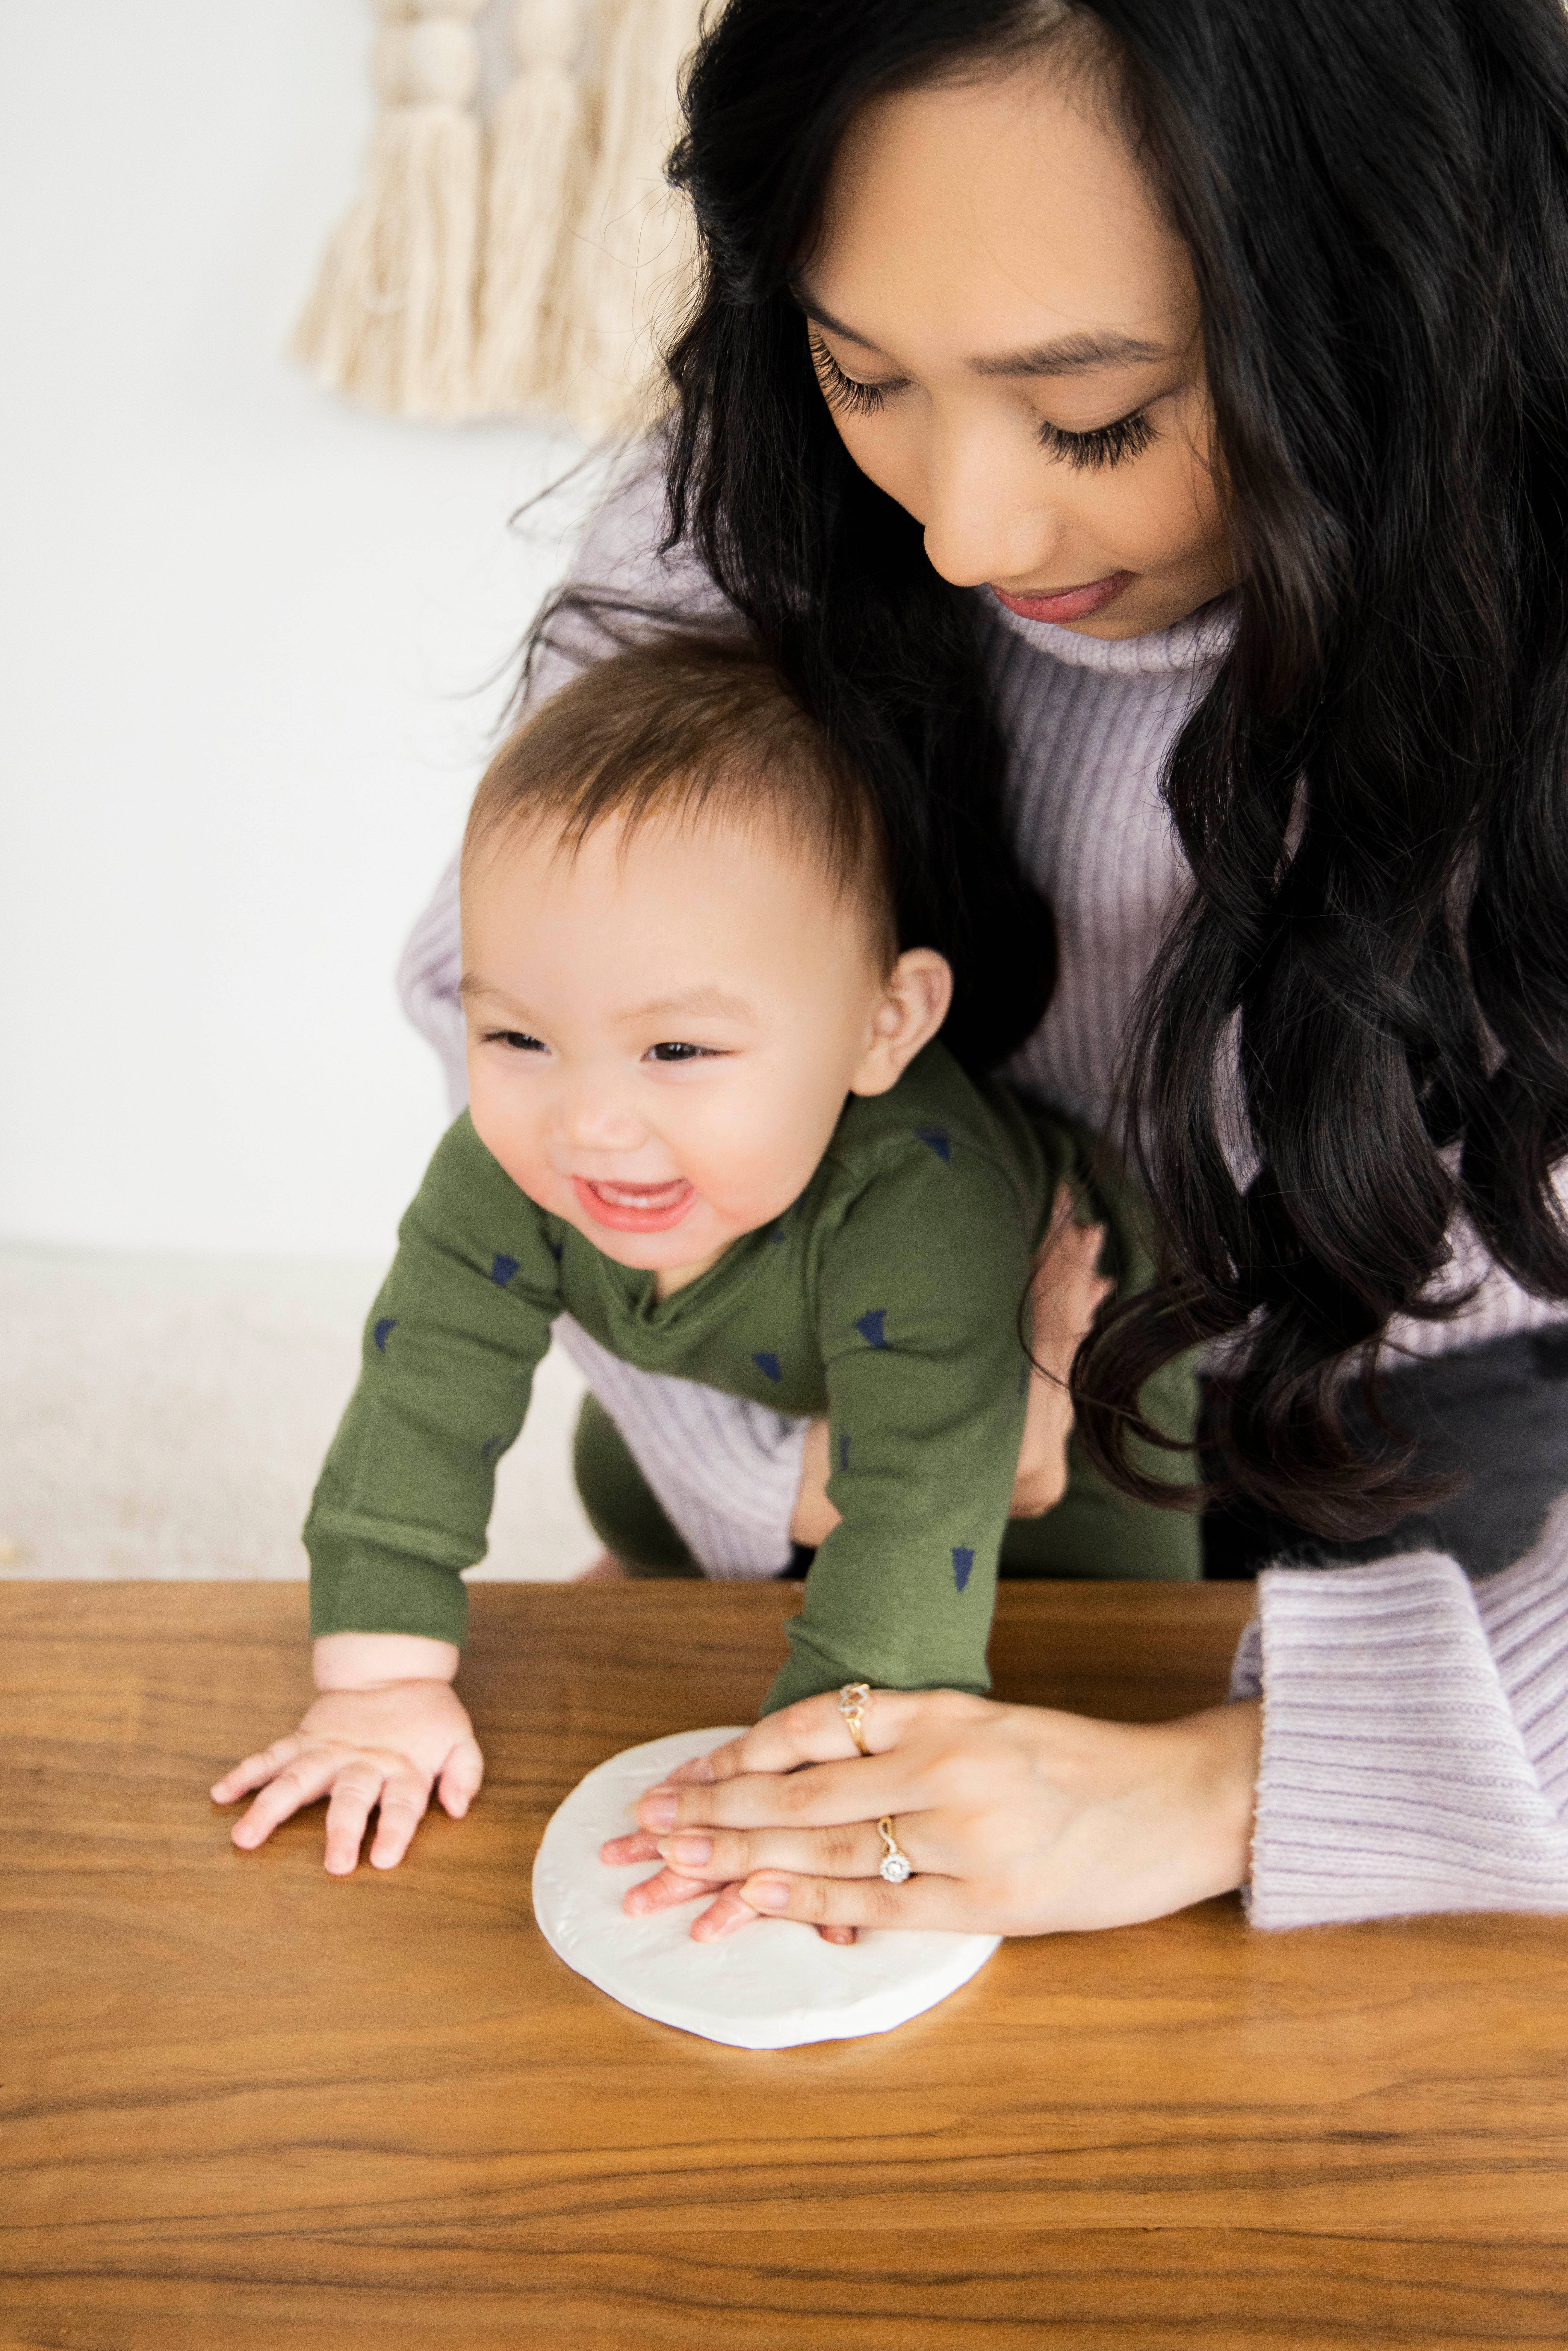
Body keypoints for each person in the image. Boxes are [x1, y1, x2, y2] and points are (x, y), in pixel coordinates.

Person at [406, 0, 1568, 1937]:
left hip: (1391, 1395)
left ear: (1392, 301)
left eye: (1093, 414)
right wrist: (789, 1474)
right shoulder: (766, 491)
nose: (960, 531)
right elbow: (507, 995)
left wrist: (1235, 1784)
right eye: (863, 374)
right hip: (893, 1330)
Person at [211, 632, 1195, 1875]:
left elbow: (913, 1513)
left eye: (676, 1050)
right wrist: (378, 1687)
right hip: (787, 1352)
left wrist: (814, 1784)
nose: (588, 1123)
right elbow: (422, 1397)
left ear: (883, 1025)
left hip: (1073, 1360)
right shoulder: (506, 1164)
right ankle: (693, 1573)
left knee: (1101, 1639)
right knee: (623, 1476)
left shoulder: (921, 1208)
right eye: (518, 1037)